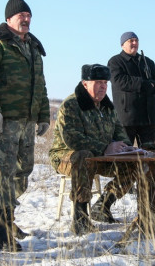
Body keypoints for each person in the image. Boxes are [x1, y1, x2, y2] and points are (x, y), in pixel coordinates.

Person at [0, 0, 50, 251]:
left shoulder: (33, 46)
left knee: (24, 171)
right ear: (9, 19)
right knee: (3, 175)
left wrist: (43, 115)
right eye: (21, 16)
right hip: (5, 120)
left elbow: (41, 84)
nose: (26, 19)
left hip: (28, 121)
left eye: (28, 15)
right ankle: (1, 232)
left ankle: (7, 212)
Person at [49, 64, 138, 236]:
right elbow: (73, 140)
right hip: (66, 156)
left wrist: (124, 148)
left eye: (105, 82)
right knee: (85, 157)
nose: (103, 86)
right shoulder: (71, 105)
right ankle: (80, 217)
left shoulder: (107, 107)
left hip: (100, 157)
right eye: (98, 82)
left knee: (134, 163)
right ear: (85, 84)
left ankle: (103, 206)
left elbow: (121, 133)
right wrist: (105, 148)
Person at [108, 32, 155, 149]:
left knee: (152, 156)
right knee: (123, 156)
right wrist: (144, 84)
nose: (134, 43)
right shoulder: (115, 61)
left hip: (148, 118)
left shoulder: (147, 61)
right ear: (122, 45)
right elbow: (119, 80)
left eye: (136, 40)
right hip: (127, 119)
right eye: (131, 41)